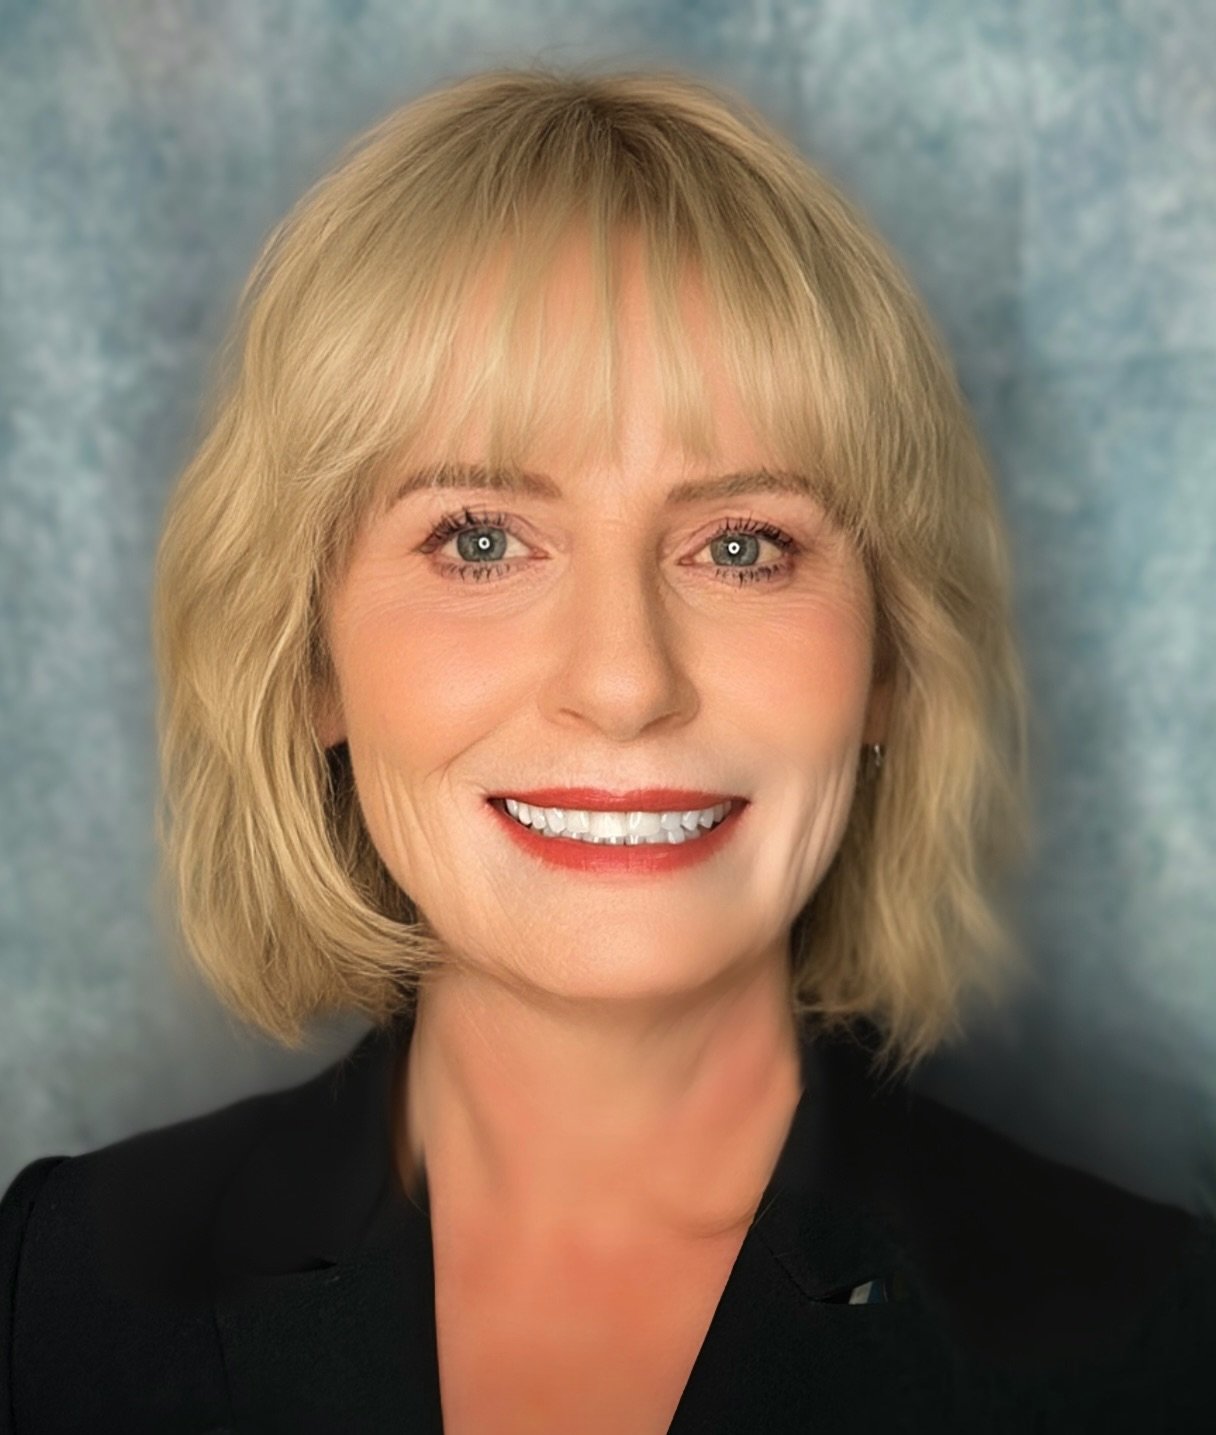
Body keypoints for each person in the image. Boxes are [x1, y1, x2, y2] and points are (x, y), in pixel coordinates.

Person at [2, 64, 1212, 1435]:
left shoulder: (1157, 1346)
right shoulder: (58, 1294)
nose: (627, 681)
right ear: (310, 654)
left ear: (888, 660)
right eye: (479, 540)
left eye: (744, 546)